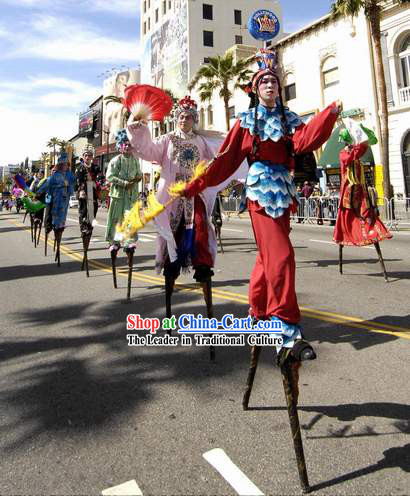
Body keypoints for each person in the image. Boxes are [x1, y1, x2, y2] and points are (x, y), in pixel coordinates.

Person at [177, 49, 342, 363]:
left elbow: (305, 140)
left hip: (282, 190)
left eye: (274, 81)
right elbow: (225, 160)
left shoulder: (288, 118)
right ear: (254, 88)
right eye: (264, 80)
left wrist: (329, 114)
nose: (270, 85)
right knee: (282, 255)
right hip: (259, 192)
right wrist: (196, 185)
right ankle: (286, 329)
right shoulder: (247, 121)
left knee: (269, 258)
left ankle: (258, 310)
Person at [127, 95, 245, 318]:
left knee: (201, 227)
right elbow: (149, 151)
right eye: (180, 116)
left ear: (194, 120)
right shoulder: (167, 139)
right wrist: (139, 127)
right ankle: (171, 267)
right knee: (172, 235)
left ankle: (202, 267)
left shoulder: (201, 142)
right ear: (176, 118)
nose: (184, 119)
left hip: (195, 195)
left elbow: (220, 159)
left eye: (188, 117)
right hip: (172, 199)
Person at [333, 129, 392, 247]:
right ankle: (349, 235)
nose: (351, 143)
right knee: (348, 212)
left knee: (367, 210)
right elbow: (350, 157)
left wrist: (363, 142)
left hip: (360, 188)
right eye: (350, 141)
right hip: (349, 190)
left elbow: (358, 153)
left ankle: (372, 232)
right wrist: (360, 146)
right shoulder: (343, 153)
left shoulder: (355, 153)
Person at [105, 129, 142, 250]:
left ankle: (129, 240)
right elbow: (109, 176)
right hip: (118, 195)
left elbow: (139, 174)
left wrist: (138, 178)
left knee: (130, 218)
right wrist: (124, 183)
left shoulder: (135, 160)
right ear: (120, 146)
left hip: (131, 195)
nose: (127, 146)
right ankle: (115, 242)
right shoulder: (115, 160)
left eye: (129, 144)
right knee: (117, 219)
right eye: (125, 144)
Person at [36, 153, 75, 264]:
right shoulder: (54, 175)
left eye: (66, 164)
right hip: (54, 201)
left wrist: (69, 185)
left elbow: (72, 189)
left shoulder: (70, 175)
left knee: (61, 224)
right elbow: (46, 185)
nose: (64, 166)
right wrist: (38, 193)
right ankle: (49, 228)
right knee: (51, 218)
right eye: (62, 164)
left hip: (64, 202)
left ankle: (58, 238)